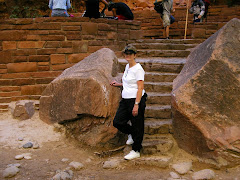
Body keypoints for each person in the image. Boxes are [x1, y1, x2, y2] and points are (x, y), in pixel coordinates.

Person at [110, 45, 147, 160]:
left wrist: (136, 104)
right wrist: (119, 85)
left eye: (130, 53)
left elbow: (140, 88)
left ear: (135, 55)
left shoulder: (138, 69)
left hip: (136, 99)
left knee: (137, 124)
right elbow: (130, 83)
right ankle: (131, 133)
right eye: (126, 53)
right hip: (126, 99)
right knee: (117, 122)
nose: (128, 55)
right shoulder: (127, 67)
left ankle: (136, 150)